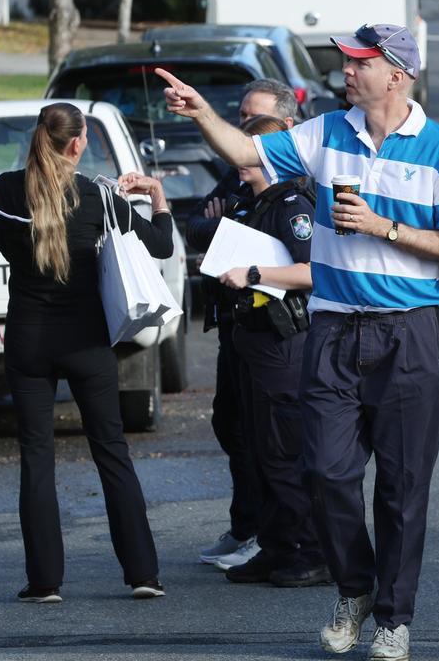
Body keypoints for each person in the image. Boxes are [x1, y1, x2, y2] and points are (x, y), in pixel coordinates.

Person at [157, 23, 439, 661]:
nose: (346, 71)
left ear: (396, 72)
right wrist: (202, 114)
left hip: (406, 332)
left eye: (359, 63)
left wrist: (386, 228)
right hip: (331, 329)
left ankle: (393, 618)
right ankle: (354, 590)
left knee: (403, 487)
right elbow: (247, 156)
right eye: (346, 61)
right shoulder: (326, 132)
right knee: (326, 473)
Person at [0, 102, 174, 604]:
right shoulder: (98, 195)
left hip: (28, 338)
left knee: (37, 457)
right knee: (111, 452)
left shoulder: (7, 190)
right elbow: (161, 246)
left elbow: (9, 251)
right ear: (79, 143)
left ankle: (45, 582)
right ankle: (143, 573)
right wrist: (156, 193)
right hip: (87, 342)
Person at [211, 114, 329, 588]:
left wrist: (255, 273)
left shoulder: (291, 205)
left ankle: (313, 552)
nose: (240, 159)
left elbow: (314, 270)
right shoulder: (253, 203)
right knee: (259, 451)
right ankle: (277, 545)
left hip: (284, 343)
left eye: (250, 150)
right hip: (252, 341)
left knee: (286, 451)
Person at [188, 79, 301, 569]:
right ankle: (249, 527)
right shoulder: (239, 181)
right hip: (237, 328)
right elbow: (198, 226)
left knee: (276, 441)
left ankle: (284, 539)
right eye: (240, 120)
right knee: (236, 427)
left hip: (274, 329)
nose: (241, 135)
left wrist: (235, 242)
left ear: (285, 129)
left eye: (254, 122)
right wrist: (221, 226)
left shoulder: (291, 192)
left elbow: (307, 263)